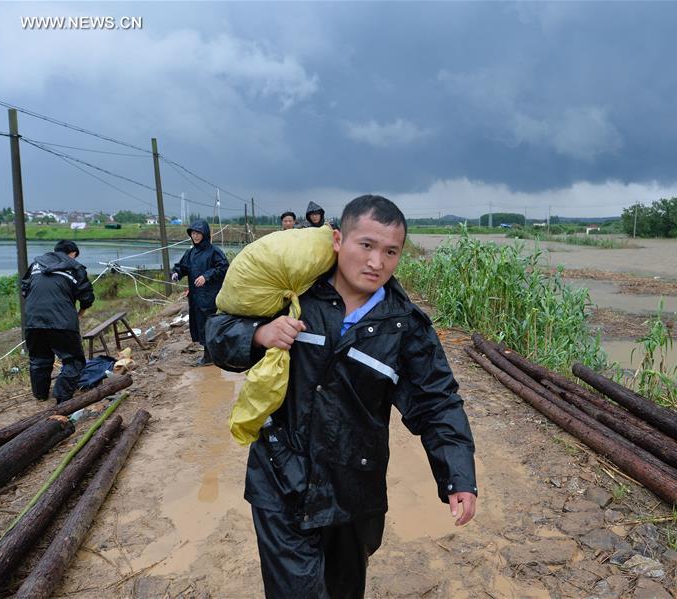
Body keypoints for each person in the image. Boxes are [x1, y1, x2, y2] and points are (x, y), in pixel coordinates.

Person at [207, 195, 477, 598]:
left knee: (344, 590)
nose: (376, 262)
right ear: (337, 240)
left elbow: (437, 401)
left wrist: (458, 476)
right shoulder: (293, 294)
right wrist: (258, 335)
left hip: (354, 489)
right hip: (280, 477)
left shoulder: (404, 326)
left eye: (391, 252)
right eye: (365, 245)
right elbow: (218, 333)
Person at [21, 239, 95, 403]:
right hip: (62, 321)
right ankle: (62, 398)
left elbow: (24, 288)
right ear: (73, 253)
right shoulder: (75, 268)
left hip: (33, 320)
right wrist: (80, 312)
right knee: (73, 360)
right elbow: (87, 297)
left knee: (39, 358)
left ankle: (40, 395)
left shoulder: (36, 265)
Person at [171, 220, 229, 366]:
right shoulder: (190, 253)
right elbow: (182, 267)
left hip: (210, 296)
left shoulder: (214, 252)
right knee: (200, 325)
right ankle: (208, 354)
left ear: (205, 234)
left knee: (210, 324)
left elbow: (223, 267)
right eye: (193, 233)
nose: (195, 236)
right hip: (196, 297)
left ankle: (211, 356)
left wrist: (206, 276)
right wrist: (176, 273)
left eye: (198, 233)